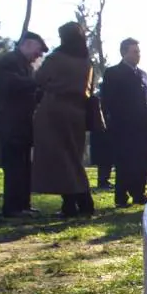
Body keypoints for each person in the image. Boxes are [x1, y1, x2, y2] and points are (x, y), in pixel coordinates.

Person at [30, 22, 94, 218]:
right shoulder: (86, 61)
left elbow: (39, 79)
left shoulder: (57, 58)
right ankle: (75, 203)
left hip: (54, 111)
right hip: (78, 112)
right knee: (73, 156)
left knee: (62, 159)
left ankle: (80, 202)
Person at [0, 31, 48, 218]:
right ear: (28, 44)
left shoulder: (27, 67)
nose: (38, 56)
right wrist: (38, 83)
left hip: (23, 124)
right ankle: (12, 207)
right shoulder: (8, 61)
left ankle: (23, 204)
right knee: (13, 166)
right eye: (38, 51)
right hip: (9, 122)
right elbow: (11, 84)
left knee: (24, 166)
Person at [100, 38, 147, 208]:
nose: (138, 55)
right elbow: (107, 101)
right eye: (134, 51)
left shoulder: (143, 74)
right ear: (124, 52)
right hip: (124, 127)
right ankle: (121, 196)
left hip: (144, 126)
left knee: (141, 162)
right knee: (125, 162)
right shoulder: (113, 73)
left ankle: (139, 193)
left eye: (139, 51)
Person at [89, 80, 114, 190]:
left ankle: (103, 180)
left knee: (104, 160)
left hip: (101, 132)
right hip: (102, 132)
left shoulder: (99, 97)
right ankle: (103, 181)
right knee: (104, 160)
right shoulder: (101, 99)